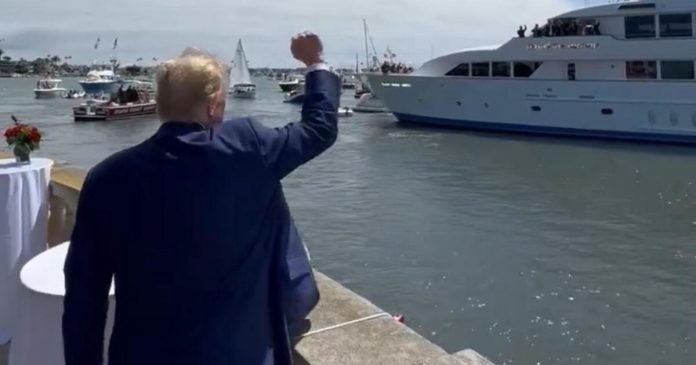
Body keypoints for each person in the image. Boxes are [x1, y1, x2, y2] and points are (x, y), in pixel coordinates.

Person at [62, 32, 340, 365]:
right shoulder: (248, 148)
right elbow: (318, 129)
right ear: (211, 106)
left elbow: (84, 297)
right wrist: (315, 62)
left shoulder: (107, 178)